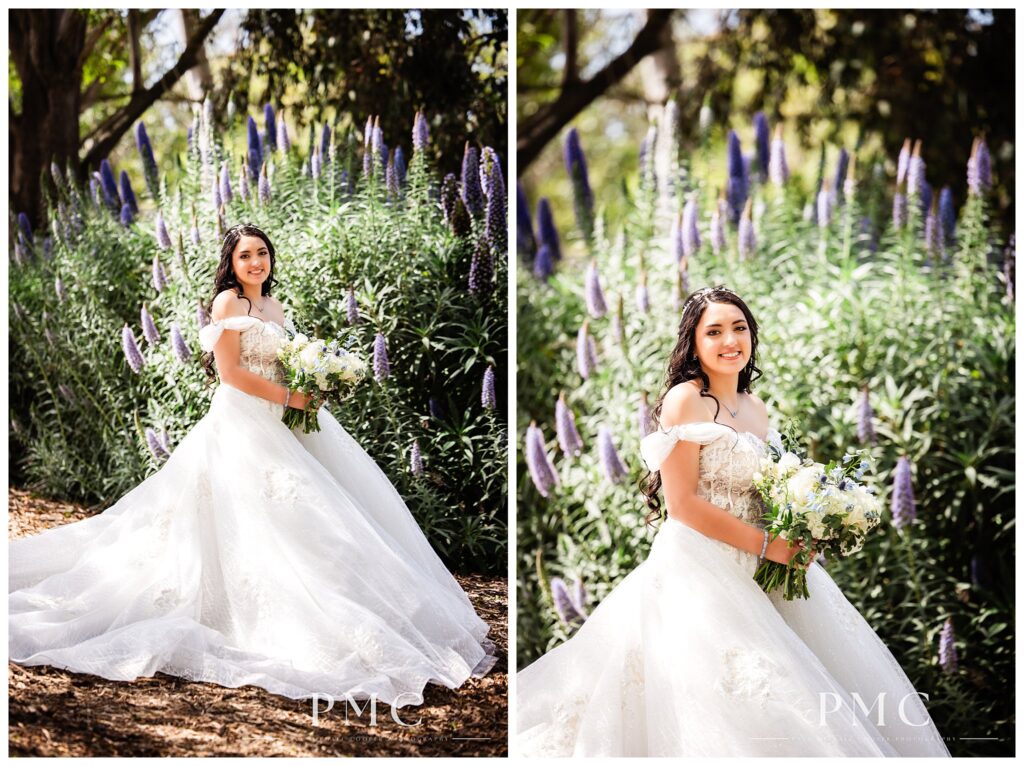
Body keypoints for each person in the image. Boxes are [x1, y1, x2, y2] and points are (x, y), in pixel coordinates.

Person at [9, 223, 496, 707]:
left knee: (323, 514)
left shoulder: (273, 306)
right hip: (243, 424)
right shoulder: (228, 304)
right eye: (245, 256)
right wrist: (292, 394)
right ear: (232, 263)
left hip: (285, 418)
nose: (255, 263)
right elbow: (232, 374)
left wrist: (317, 379)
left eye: (261, 253)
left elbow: (282, 360)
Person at [516, 286, 949, 756]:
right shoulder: (686, 401)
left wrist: (807, 524)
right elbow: (682, 505)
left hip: (764, 565)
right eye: (714, 331)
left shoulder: (757, 409)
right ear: (694, 345)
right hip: (701, 567)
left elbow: (768, 492)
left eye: (738, 328)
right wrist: (769, 545)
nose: (729, 341)